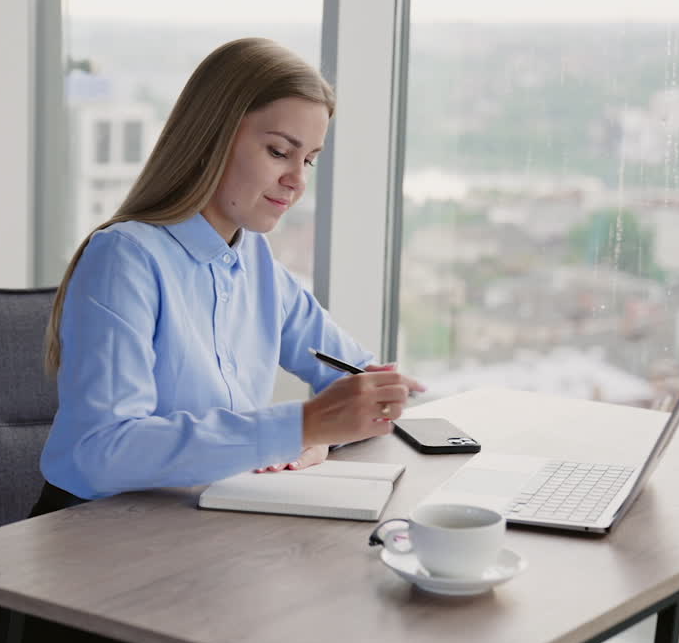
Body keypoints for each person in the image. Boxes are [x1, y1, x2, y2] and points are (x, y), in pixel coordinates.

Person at [32, 37, 425, 516]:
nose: (298, 180)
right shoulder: (126, 257)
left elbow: (361, 379)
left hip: (199, 525)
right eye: (280, 152)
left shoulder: (254, 259)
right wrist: (299, 427)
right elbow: (102, 451)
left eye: (309, 160)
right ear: (212, 137)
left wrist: (321, 436)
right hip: (94, 534)